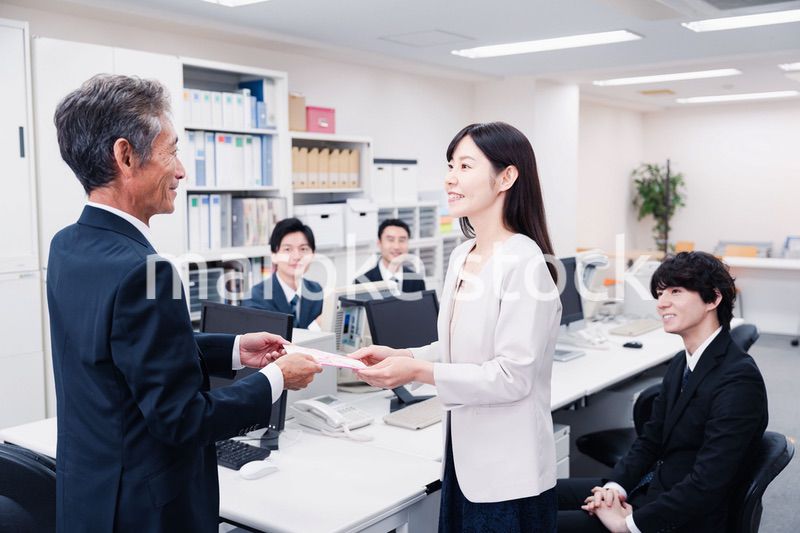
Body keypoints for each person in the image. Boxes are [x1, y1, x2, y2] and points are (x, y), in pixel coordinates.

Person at [48, 74, 322, 532]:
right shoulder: (146, 270)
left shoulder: (68, 246)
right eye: (171, 150)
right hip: (148, 510)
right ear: (125, 156)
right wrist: (276, 378)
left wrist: (233, 349)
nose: (181, 170)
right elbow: (185, 421)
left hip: (90, 497)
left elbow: (125, 353)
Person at [351, 122, 562, 532]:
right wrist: (405, 356)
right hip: (461, 459)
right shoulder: (462, 254)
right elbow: (458, 347)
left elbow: (511, 376)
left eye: (465, 166)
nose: (450, 177)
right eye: (450, 165)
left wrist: (417, 373)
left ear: (507, 176)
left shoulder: (526, 263)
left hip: (507, 474)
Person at [557, 251, 768, 533]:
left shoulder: (738, 380)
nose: (662, 303)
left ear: (714, 299)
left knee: (537, 523)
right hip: (653, 488)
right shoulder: (684, 361)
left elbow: (707, 484)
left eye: (676, 292)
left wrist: (628, 524)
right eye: (659, 293)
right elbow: (650, 440)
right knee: (535, 495)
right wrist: (614, 489)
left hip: (681, 517)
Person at [242, 217, 324, 329]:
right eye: (287, 249)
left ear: (313, 255)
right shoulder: (256, 297)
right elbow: (273, 343)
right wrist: (315, 326)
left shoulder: (316, 290)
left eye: (303, 249)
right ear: (274, 255)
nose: (296, 256)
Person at [354, 218, 426, 292]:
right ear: (379, 243)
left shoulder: (417, 281)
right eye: (390, 240)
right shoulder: (361, 284)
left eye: (402, 240)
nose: (396, 246)